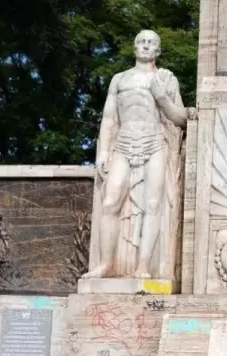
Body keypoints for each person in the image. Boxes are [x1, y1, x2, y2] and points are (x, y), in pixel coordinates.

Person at [82, 30, 187, 279]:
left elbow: (181, 118)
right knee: (110, 203)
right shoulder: (119, 79)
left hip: (154, 142)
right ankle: (106, 264)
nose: (146, 45)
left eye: (151, 43)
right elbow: (109, 118)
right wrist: (104, 150)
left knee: (153, 204)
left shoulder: (165, 78)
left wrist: (162, 98)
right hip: (124, 142)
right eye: (141, 41)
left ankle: (143, 266)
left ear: (158, 51)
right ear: (134, 47)